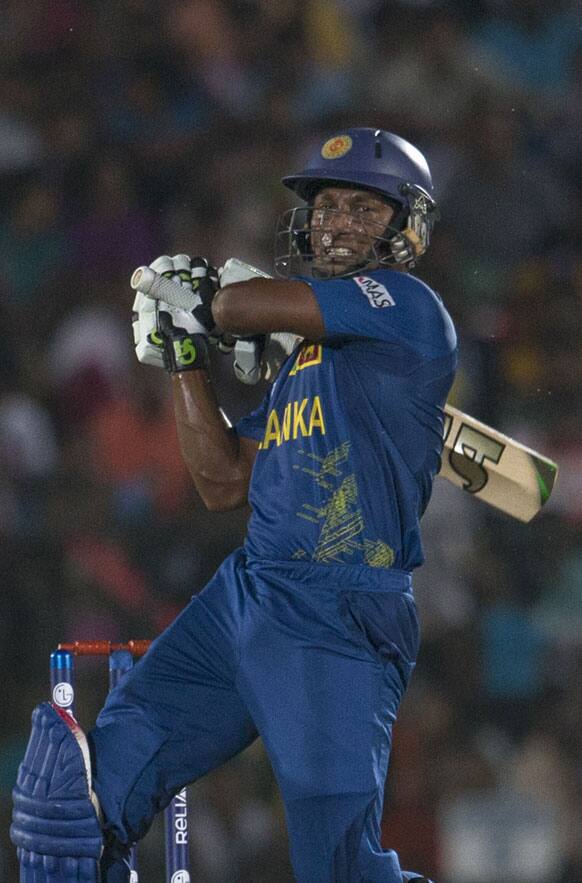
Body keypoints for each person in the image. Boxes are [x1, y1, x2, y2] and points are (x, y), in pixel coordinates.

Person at [11, 128, 456, 882]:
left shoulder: (408, 309)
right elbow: (220, 480)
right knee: (74, 811)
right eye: (326, 206)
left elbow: (238, 303)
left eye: (361, 207)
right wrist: (186, 359)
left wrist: (207, 301)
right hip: (249, 593)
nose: (336, 221)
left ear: (403, 227)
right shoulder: (303, 366)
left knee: (340, 870)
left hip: (339, 613)